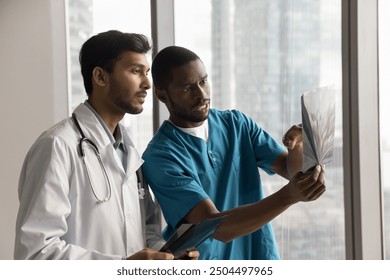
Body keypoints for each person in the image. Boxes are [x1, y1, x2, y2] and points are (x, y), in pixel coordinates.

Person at [14, 31, 198, 260]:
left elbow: (147, 231)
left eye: (147, 72)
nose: (147, 83)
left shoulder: (129, 152)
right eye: (135, 71)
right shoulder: (57, 146)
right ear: (100, 77)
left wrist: (167, 255)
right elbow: (35, 252)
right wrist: (122, 266)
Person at [141, 46, 326, 260]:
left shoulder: (237, 124)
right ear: (161, 93)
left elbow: (289, 169)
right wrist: (289, 196)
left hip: (258, 257)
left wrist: (297, 148)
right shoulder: (161, 156)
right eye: (187, 88)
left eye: (203, 82)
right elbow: (217, 227)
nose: (201, 95)